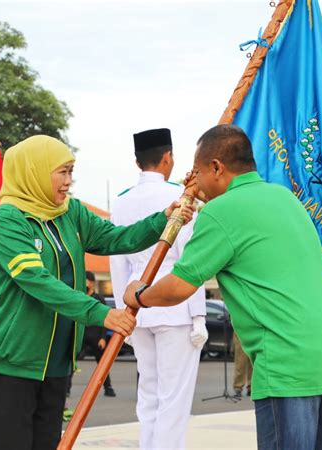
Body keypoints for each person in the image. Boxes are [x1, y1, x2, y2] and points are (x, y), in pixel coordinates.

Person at [124, 125, 322, 450]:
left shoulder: (222, 213)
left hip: (289, 361)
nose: (195, 181)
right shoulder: (284, 197)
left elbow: (179, 286)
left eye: (197, 172)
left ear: (217, 168)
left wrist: (138, 294)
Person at [0, 134, 194, 450]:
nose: (69, 181)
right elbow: (39, 282)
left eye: (71, 171)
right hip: (13, 360)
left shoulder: (70, 212)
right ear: (34, 171)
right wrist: (103, 314)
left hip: (56, 360)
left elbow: (120, 239)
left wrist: (163, 219)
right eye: (61, 172)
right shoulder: (9, 219)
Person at [110, 128, 208, 450]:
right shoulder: (177, 197)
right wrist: (199, 315)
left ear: (138, 161)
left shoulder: (122, 201)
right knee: (174, 400)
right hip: (174, 301)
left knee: (149, 395)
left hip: (135, 303)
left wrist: (122, 311)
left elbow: (117, 258)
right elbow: (190, 260)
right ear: (167, 158)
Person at [83, 271, 116, 397]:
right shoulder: (81, 296)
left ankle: (108, 388)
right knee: (71, 363)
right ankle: (66, 389)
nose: (84, 283)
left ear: (91, 283)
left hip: (96, 338)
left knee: (102, 365)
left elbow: (105, 319)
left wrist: (103, 338)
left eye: (86, 280)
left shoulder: (99, 299)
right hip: (82, 337)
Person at [232, 332, 252, 398]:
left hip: (254, 329)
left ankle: (251, 387)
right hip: (240, 330)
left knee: (253, 362)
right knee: (240, 362)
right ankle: (238, 387)